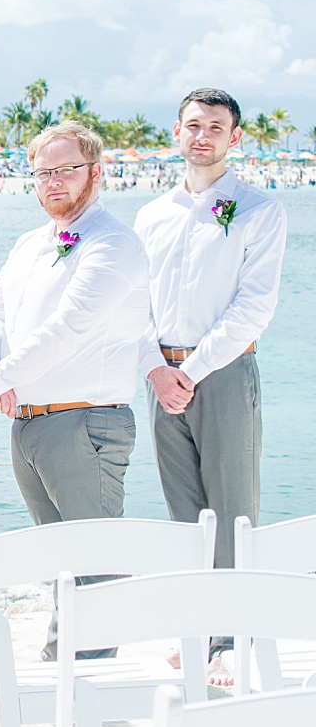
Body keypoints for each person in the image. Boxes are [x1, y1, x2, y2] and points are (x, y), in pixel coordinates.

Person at [0, 121, 150, 661]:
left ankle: (91, 675)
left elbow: (72, 327)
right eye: (43, 172)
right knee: (59, 560)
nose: (53, 181)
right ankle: (63, 665)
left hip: (85, 422)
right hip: (28, 422)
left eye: (66, 170)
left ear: (94, 172)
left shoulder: (114, 243)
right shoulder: (30, 244)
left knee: (94, 562)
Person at [134, 88, 287, 685]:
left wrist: (189, 372)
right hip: (160, 376)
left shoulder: (258, 210)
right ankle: (197, 630)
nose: (203, 137)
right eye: (193, 126)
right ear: (176, 133)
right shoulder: (153, 213)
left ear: (235, 138)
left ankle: (231, 638)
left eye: (215, 128)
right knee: (184, 512)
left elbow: (255, 307)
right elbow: (136, 303)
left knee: (233, 507)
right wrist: (155, 368)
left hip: (220, 372)